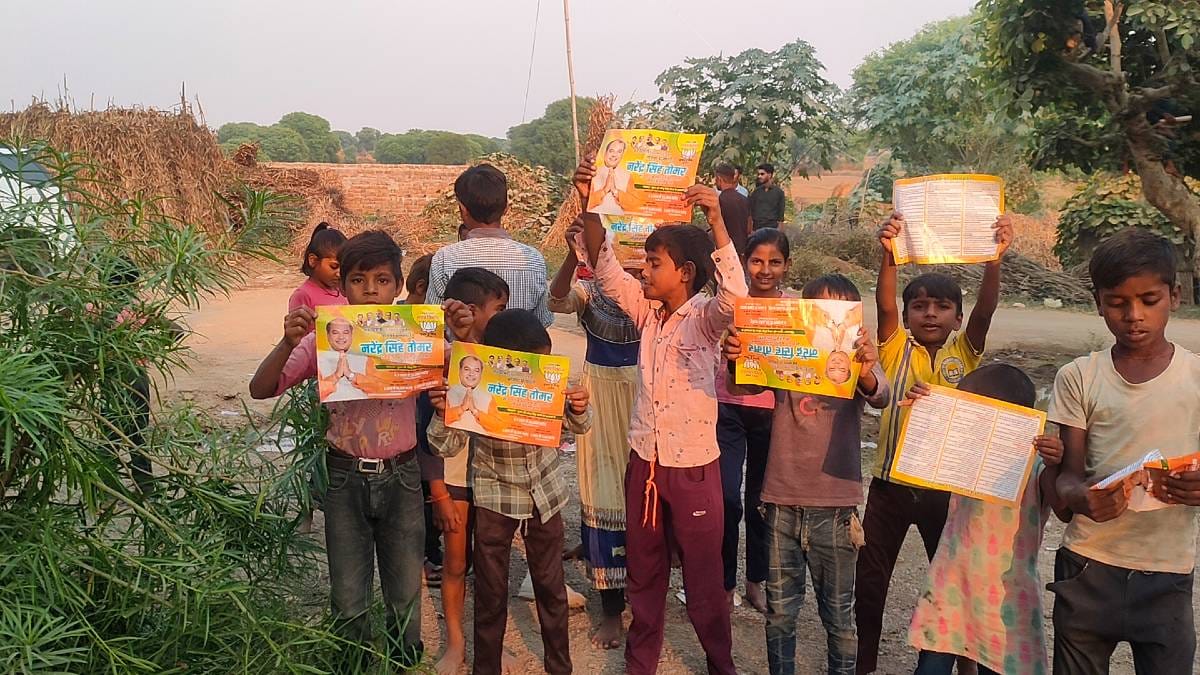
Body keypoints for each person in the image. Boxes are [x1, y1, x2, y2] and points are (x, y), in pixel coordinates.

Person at [248, 231, 468, 670]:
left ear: (400, 285)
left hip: (403, 476)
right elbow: (261, 388)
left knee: (405, 601)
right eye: (359, 279)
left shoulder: (416, 336)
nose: (371, 289)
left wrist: (463, 334)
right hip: (344, 476)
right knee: (348, 601)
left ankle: (403, 665)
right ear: (342, 286)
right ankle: (353, 665)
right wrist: (289, 341)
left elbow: (470, 380)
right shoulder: (328, 336)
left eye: (383, 280)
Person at [576, 156, 748, 675]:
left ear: (686, 273)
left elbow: (735, 298)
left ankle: (721, 663)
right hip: (645, 465)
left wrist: (717, 219)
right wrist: (591, 200)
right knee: (644, 574)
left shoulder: (704, 320)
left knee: (702, 578)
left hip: (693, 467)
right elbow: (603, 264)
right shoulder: (644, 311)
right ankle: (639, 664)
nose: (643, 270)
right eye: (646, 262)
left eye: (654, 263)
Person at [855, 210, 1012, 674]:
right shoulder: (894, 348)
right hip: (889, 488)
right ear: (906, 315)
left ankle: (962, 662)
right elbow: (883, 306)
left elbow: (986, 311)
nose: (930, 313)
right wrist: (889, 255)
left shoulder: (966, 353)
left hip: (946, 492)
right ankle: (862, 663)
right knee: (870, 582)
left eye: (942, 307)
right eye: (919, 306)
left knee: (952, 582)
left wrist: (994, 260)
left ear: (957, 317)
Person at [1047, 228, 1200, 675]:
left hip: (1167, 571)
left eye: (1149, 300)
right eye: (1117, 302)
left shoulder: (1195, 378)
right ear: (1098, 302)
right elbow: (1067, 477)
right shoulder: (1079, 377)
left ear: (1174, 295)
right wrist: (1083, 497)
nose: (1133, 315)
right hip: (1088, 566)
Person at [722, 272, 889, 675]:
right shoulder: (786, 354)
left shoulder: (858, 360)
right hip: (781, 502)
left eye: (836, 313)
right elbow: (742, 386)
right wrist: (736, 356)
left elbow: (881, 395)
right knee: (780, 614)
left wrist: (865, 366)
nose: (827, 322)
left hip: (835, 508)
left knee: (839, 620)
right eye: (816, 312)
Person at [428, 309, 592, 675]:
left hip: (544, 495)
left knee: (551, 587)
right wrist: (444, 412)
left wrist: (579, 406)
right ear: (498, 361)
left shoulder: (550, 384)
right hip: (495, 497)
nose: (539, 370)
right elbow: (443, 445)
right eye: (533, 362)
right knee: (490, 592)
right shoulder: (475, 385)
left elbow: (579, 425)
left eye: (544, 361)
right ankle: (486, 668)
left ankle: (559, 667)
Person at [905, 365, 1069, 675]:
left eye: (968, 408)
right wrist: (926, 410)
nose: (961, 415)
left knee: (999, 664)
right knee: (932, 663)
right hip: (952, 582)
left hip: (1005, 591)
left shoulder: (1035, 465)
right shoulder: (963, 453)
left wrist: (1057, 463)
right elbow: (922, 455)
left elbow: (1060, 500)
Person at [549, 217, 642, 649]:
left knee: (644, 495)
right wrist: (573, 254)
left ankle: (643, 599)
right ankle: (610, 608)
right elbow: (555, 299)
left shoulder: (654, 293)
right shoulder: (591, 291)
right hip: (600, 395)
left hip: (647, 394)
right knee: (602, 493)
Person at [428, 266, 510, 674]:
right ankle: (456, 643)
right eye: (499, 308)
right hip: (456, 475)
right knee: (456, 563)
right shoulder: (440, 356)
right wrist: (438, 490)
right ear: (471, 311)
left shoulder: (507, 357)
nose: (505, 316)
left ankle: (491, 645)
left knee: (493, 567)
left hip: (497, 477)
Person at [715, 228, 791, 615]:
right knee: (727, 499)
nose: (765, 269)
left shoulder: (796, 311)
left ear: (786, 266)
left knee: (760, 501)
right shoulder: (730, 303)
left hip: (771, 413)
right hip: (726, 409)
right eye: (757, 261)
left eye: (774, 262)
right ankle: (725, 582)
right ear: (744, 264)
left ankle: (755, 582)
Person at [427, 164, 553, 328]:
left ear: (462, 210)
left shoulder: (445, 258)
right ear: (506, 209)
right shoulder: (533, 259)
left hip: (462, 353)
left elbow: (433, 321)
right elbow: (542, 322)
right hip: (516, 353)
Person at [289, 222, 348, 313]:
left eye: (343, 267)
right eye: (334, 266)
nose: (339, 273)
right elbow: (296, 325)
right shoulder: (303, 296)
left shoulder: (344, 291)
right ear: (313, 260)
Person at [714, 162, 753, 256]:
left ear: (719, 179)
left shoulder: (720, 200)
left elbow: (716, 226)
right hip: (742, 249)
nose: (715, 182)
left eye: (715, 179)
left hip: (725, 250)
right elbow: (749, 228)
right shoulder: (744, 199)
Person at [590, 138, 632, 215]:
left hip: (619, 222)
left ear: (622, 155)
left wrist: (615, 191)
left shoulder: (627, 176)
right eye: (611, 151)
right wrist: (605, 190)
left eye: (619, 152)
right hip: (595, 220)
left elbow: (633, 204)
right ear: (605, 153)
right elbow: (586, 201)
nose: (614, 155)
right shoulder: (593, 172)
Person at [748, 163, 786, 230]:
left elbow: (781, 215)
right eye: (758, 174)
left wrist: (780, 233)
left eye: (762, 174)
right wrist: (750, 230)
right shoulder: (756, 192)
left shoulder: (779, 192)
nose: (759, 176)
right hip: (757, 228)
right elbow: (751, 212)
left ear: (769, 175)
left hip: (772, 228)